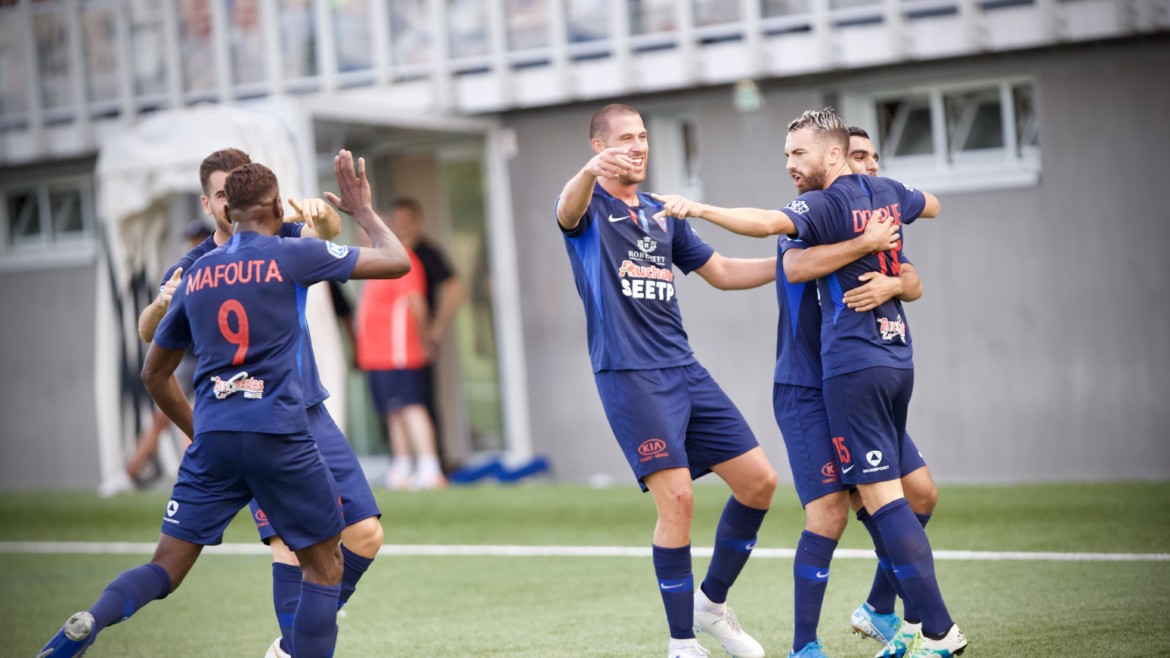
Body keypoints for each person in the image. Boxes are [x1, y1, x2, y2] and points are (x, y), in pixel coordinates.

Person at [37, 152, 412, 658]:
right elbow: (395, 261)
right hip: (278, 429)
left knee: (168, 567)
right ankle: (294, 649)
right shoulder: (285, 254)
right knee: (321, 567)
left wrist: (198, 430)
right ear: (272, 205)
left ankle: (92, 619)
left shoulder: (200, 273)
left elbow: (153, 368)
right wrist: (363, 212)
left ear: (227, 208)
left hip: (226, 431)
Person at [655, 109, 965, 658]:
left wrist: (890, 274)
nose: (792, 164)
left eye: (872, 160)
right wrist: (864, 244)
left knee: (915, 494)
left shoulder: (876, 203)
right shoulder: (818, 215)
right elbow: (794, 267)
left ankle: (887, 614)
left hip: (860, 374)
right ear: (843, 157)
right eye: (789, 156)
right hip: (810, 384)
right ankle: (809, 645)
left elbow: (913, 276)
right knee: (834, 510)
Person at [136, 148, 383, 658]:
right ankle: (297, 646)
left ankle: (296, 640)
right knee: (291, 549)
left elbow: (330, 234)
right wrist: (162, 301)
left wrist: (324, 214)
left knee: (366, 535)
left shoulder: (282, 237)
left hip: (307, 407)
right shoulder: (196, 262)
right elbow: (149, 334)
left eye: (237, 190)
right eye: (221, 194)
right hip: (253, 416)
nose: (231, 201)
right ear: (210, 204)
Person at [555, 103, 778, 658]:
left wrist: (792, 263)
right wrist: (588, 173)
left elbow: (722, 273)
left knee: (760, 483)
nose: (638, 147)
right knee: (677, 498)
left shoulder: (663, 212)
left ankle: (711, 606)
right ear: (598, 148)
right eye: (625, 139)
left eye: (643, 137)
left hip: (684, 369)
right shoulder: (586, 207)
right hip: (629, 375)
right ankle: (682, 644)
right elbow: (565, 208)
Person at [355, 224, 445, 491]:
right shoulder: (372, 261)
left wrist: (426, 337)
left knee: (411, 407)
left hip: (400, 352)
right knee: (393, 411)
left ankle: (430, 467)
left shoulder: (401, 258)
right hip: (377, 354)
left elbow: (417, 302)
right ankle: (402, 467)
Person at [384, 197, 466, 472]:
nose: (402, 226)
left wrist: (435, 330)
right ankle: (407, 464)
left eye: (407, 221)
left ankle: (432, 464)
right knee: (396, 408)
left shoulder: (426, 254)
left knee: (419, 403)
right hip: (388, 349)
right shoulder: (389, 252)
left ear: (418, 222)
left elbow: (453, 289)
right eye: (397, 221)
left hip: (414, 344)